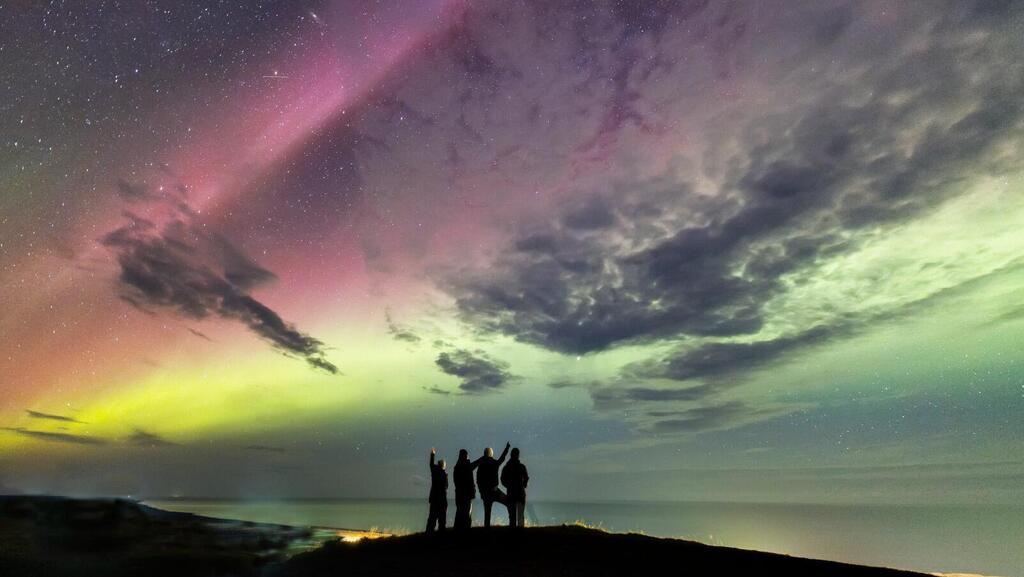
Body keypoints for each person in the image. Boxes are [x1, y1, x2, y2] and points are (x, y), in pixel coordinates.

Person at [475, 441, 510, 527]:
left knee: (487, 512)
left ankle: (487, 530)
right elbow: (502, 458)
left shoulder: (481, 465)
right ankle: (512, 524)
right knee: (509, 502)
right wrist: (507, 448)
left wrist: (481, 492)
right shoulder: (494, 463)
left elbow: (478, 480)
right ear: (491, 454)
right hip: (495, 491)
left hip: (486, 493)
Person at [452, 448, 481, 530]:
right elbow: (474, 464)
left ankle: (457, 531)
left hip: (459, 495)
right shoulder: (466, 467)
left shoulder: (456, 467)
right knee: (467, 514)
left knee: (459, 514)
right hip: (467, 495)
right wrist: (482, 458)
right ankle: (465, 532)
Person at [500, 447, 529, 528]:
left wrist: (508, 486)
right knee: (520, 516)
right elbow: (526, 477)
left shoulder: (507, 467)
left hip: (511, 494)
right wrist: (524, 484)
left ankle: (512, 536)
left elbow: (502, 479)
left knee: (512, 517)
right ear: (518, 455)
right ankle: (520, 535)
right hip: (520, 493)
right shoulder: (521, 467)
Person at [425, 447, 448, 532]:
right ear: (444, 466)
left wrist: (432, 454)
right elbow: (446, 487)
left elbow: (431, 464)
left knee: (432, 519)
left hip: (434, 499)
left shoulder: (435, 472)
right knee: (442, 521)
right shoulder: (445, 475)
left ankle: (429, 534)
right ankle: (441, 536)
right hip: (442, 500)